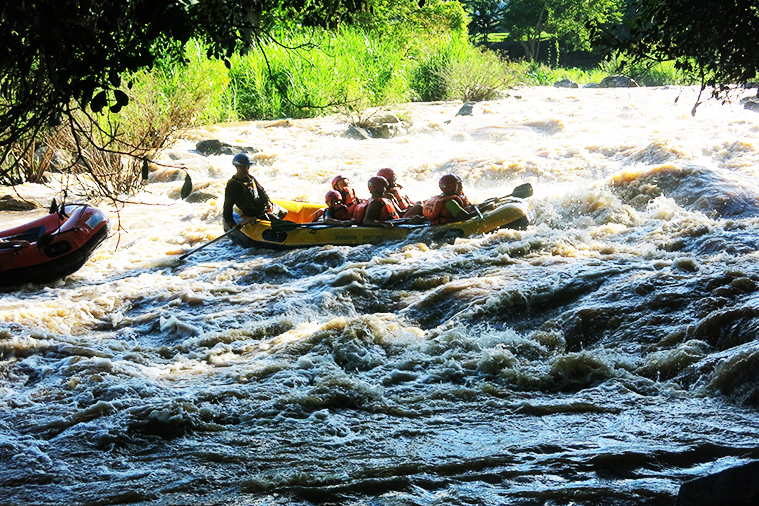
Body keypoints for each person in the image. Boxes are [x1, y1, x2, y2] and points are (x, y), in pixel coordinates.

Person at [222, 153, 282, 230]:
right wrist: (232, 225)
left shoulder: (250, 178)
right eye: (247, 166)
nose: (248, 168)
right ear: (240, 167)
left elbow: (262, 192)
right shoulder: (232, 185)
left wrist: (268, 202)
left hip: (262, 211)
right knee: (277, 225)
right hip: (252, 216)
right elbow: (227, 208)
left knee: (280, 219)